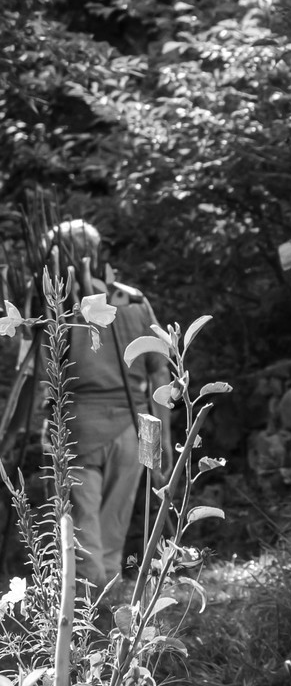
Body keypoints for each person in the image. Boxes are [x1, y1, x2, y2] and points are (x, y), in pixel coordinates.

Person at [41, 220, 169, 602]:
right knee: (111, 533)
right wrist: (159, 451)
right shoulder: (134, 300)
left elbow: (41, 381)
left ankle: (87, 620)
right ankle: (107, 613)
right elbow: (161, 376)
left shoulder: (57, 305)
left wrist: (38, 429)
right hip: (135, 428)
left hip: (81, 427)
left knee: (82, 535)